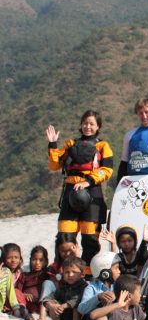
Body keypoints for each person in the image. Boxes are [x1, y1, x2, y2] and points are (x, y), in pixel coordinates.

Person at [46, 110, 113, 266]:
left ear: (98, 127)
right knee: (64, 237)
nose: (88, 127)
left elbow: (107, 170)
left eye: (91, 124)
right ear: (81, 125)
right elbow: (54, 165)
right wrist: (52, 144)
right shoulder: (70, 144)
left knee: (90, 239)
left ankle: (89, 272)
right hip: (71, 193)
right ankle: (64, 271)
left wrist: (88, 181)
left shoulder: (103, 146)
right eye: (85, 123)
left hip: (92, 193)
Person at [43, 256, 88, 320]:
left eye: (74, 272)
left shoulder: (84, 286)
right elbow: (52, 296)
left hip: (80, 318)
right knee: (53, 304)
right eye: (67, 272)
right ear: (62, 273)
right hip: (64, 315)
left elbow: (77, 299)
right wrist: (50, 305)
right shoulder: (63, 284)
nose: (70, 275)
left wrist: (64, 306)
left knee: (77, 307)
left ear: (82, 274)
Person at [77, 251, 121, 320]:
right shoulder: (91, 288)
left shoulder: (117, 285)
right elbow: (81, 309)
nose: (119, 271)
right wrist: (98, 297)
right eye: (116, 268)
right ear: (105, 273)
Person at [0, 246, 32, 320]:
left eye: (16, 257)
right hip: (4, 305)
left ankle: (21, 311)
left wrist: (15, 307)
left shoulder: (7, 272)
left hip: (11, 301)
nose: (13, 260)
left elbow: (10, 291)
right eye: (9, 258)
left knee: (16, 292)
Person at [18, 246, 49, 320]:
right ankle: (28, 317)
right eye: (34, 259)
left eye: (41, 260)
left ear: (46, 261)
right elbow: (17, 291)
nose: (37, 263)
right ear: (30, 260)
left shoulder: (47, 275)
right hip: (27, 305)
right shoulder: (24, 275)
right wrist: (24, 295)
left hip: (43, 306)